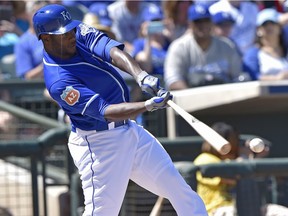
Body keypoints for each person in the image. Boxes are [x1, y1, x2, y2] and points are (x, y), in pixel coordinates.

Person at [32, 4, 208, 216]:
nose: (71, 35)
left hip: (130, 132)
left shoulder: (77, 34)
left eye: (71, 29)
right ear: (46, 39)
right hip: (99, 144)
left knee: (182, 193)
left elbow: (112, 51)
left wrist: (141, 75)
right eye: (63, 33)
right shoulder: (58, 81)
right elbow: (106, 111)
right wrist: (147, 105)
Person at [194, 122, 288, 216]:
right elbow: (235, 178)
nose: (236, 145)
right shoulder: (205, 158)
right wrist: (245, 157)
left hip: (242, 208)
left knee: (278, 212)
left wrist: (254, 158)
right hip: (214, 211)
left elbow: (246, 175)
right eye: (233, 141)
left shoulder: (232, 161)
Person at [164, 4, 242, 90]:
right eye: (198, 22)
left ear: (212, 22)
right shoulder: (179, 47)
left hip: (226, 98)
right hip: (192, 99)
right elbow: (173, 81)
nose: (203, 25)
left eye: (206, 20)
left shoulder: (227, 46)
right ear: (190, 24)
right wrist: (197, 98)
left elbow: (237, 77)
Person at [243, 8, 288, 81]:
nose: (269, 27)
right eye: (265, 25)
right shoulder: (253, 53)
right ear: (258, 30)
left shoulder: (286, 50)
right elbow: (252, 76)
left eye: (273, 23)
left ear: (279, 28)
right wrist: (277, 78)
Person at [14, 1, 47, 80]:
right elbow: (27, 77)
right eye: (36, 12)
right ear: (27, 15)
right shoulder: (23, 43)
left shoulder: (59, 35)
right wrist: (49, 63)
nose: (40, 16)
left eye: (43, 12)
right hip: (39, 87)